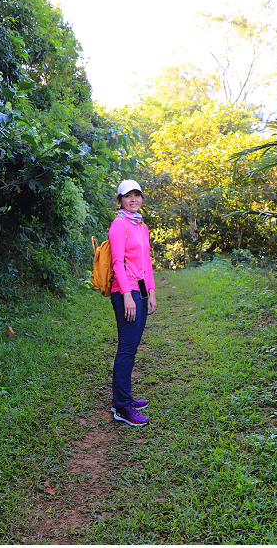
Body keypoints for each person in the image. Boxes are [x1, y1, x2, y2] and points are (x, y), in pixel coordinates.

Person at [108, 179, 157, 427]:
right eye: (128, 196)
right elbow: (117, 263)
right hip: (125, 291)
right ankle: (122, 406)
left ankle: (122, 398)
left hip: (141, 290)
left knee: (132, 346)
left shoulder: (141, 226)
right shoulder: (119, 225)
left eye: (137, 195)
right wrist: (127, 294)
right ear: (120, 201)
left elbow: (146, 261)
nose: (133, 199)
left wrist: (152, 291)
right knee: (126, 348)